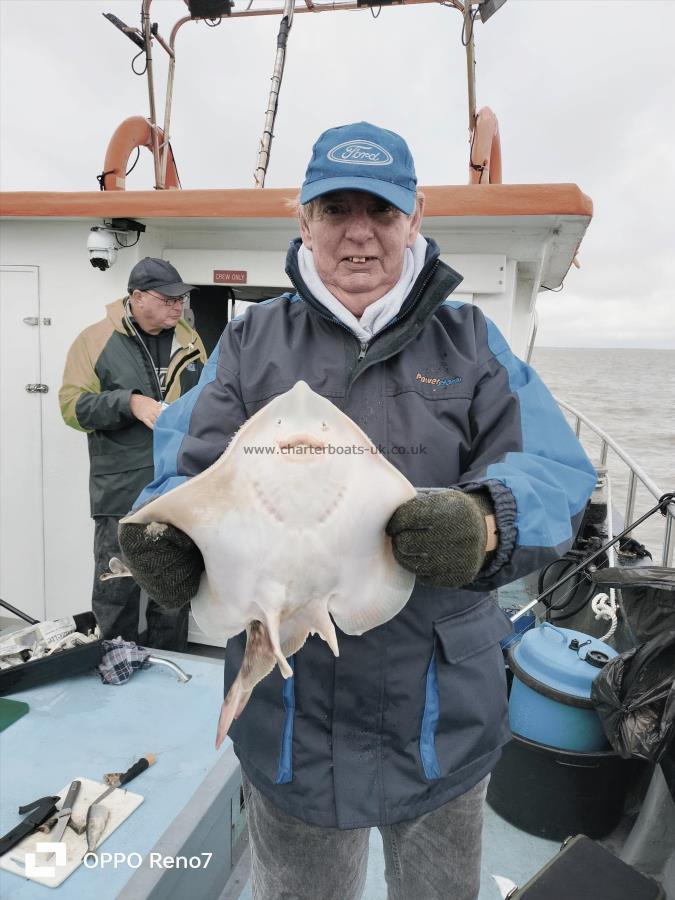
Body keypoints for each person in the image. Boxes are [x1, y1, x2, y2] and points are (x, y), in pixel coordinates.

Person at [118, 124, 597, 899]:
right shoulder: (248, 342)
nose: (359, 233)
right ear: (302, 221)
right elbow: (184, 462)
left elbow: (553, 472)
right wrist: (168, 536)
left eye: (380, 211)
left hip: (440, 710)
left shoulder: (470, 342)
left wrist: (481, 522)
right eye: (335, 209)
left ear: (414, 221)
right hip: (291, 714)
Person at [59, 257, 207, 650]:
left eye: (182, 299)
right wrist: (129, 403)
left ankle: (172, 667)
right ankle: (115, 664)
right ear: (137, 297)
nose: (178, 306)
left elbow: (211, 402)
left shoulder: (191, 342)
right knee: (117, 587)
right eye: (168, 299)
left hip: (176, 488)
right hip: (120, 488)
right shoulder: (93, 341)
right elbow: (71, 407)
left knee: (172, 588)